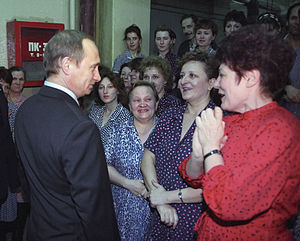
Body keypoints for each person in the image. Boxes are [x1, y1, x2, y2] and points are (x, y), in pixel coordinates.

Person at [178, 25, 300, 241]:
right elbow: (196, 179)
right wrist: (199, 155)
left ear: (250, 78)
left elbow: (229, 203)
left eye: (223, 75)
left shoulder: (281, 129)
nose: (217, 86)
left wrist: (211, 150)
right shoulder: (231, 121)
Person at [14, 30, 120, 241]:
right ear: (67, 65)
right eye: (93, 67)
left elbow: (26, 181)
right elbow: (94, 209)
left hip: (37, 230)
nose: (98, 76)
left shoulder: (26, 110)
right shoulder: (81, 128)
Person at [141, 51, 218, 240]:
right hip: (160, 214)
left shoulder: (218, 121)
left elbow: (215, 186)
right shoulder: (169, 115)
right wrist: (159, 200)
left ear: (211, 83)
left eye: (193, 75)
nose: (184, 81)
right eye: (182, 75)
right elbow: (147, 158)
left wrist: (167, 197)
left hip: (193, 218)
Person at [105, 81, 158, 241]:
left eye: (148, 99)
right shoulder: (117, 130)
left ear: (156, 103)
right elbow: (103, 165)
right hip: (122, 213)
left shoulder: (167, 130)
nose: (142, 104)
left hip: (157, 216)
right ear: (129, 105)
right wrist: (126, 183)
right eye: (136, 100)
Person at [89, 65, 131, 150]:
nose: (105, 91)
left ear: (118, 90)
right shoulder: (95, 110)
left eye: (110, 87)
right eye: (101, 87)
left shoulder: (125, 116)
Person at [0, 68, 19, 241]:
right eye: (0, 86)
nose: (3, 91)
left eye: (6, 87)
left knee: (8, 222)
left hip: (8, 171)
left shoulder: (13, 110)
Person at [281, 2, 300, 119]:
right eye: (294, 18)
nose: (298, 22)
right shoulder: (275, 47)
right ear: (287, 21)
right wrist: (284, 88)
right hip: (278, 117)